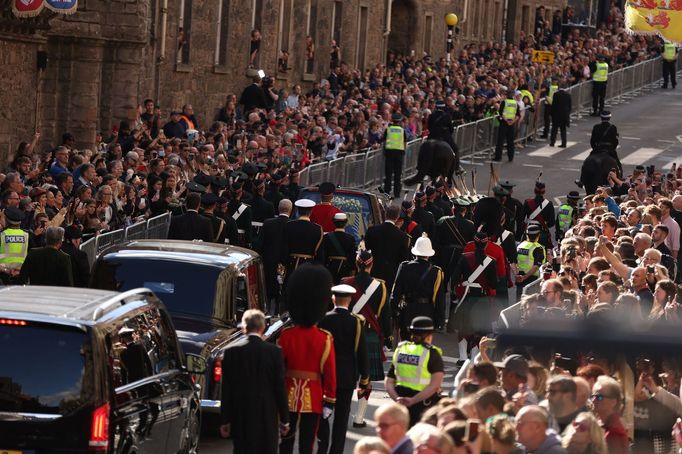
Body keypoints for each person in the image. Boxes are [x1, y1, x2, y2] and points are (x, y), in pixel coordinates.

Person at [278, 264, 337, 454]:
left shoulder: (286, 336)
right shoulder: (324, 338)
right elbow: (330, 373)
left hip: (288, 393)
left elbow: (280, 369)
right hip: (314, 395)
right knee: (307, 443)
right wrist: (330, 400)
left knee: (286, 440)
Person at [219, 309, 289, 454]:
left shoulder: (231, 352)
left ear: (244, 327)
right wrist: (284, 418)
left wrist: (225, 419)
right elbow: (279, 387)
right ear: (263, 327)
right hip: (266, 414)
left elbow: (226, 389)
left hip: (241, 413)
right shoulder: (274, 352)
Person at [317, 284, 370, 454]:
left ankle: (322, 448)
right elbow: (362, 351)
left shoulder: (323, 319)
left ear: (333, 299)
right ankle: (336, 451)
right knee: (342, 417)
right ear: (350, 300)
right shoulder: (356, 321)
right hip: (347, 374)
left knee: (323, 416)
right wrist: (364, 379)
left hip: (325, 375)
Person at [343, 250, 391, 427]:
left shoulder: (345, 283)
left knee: (347, 375)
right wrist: (388, 338)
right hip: (370, 334)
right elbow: (386, 316)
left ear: (356, 264)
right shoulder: (381, 287)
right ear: (371, 264)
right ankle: (359, 417)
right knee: (366, 378)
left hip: (347, 333)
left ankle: (344, 411)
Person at [385, 316, 444, 426]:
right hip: (423, 406)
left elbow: (388, 382)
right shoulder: (431, 353)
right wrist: (412, 400)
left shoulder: (401, 349)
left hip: (400, 405)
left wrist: (397, 399)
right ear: (428, 335)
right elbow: (435, 386)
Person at [390, 234, 446, 338]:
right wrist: (440, 321)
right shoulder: (436, 272)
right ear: (429, 254)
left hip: (407, 312)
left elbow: (395, 293)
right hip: (427, 313)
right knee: (423, 347)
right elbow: (439, 299)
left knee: (405, 346)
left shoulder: (404, 267)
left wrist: (393, 313)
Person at [451, 232, 500, 344]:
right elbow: (493, 285)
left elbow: (454, 279)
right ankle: (474, 357)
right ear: (486, 244)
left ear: (474, 243)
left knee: (464, 329)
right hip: (482, 299)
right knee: (479, 331)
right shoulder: (491, 262)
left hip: (466, 297)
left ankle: (462, 357)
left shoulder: (464, 257)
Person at [364, 204, 411, 294]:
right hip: (391, 276)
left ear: (385, 215)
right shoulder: (402, 236)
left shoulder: (372, 230)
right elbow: (403, 259)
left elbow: (367, 248)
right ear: (397, 217)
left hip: (373, 271)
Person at [258, 199, 292, 314]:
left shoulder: (268, 223)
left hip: (268, 261)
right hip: (285, 262)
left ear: (278, 208)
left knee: (268, 290)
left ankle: (266, 311)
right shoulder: (292, 224)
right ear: (290, 210)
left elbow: (260, 244)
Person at [283, 199, 324, 278]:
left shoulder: (289, 225)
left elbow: (284, 248)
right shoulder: (317, 229)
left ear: (298, 210)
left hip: (291, 265)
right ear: (311, 211)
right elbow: (319, 255)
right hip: (309, 267)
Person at [591, 376, 628, 454]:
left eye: (599, 397)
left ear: (613, 402)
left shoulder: (614, 433)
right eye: (593, 396)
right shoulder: (598, 424)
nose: (593, 400)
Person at [322, 213, 356, 284]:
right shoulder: (351, 238)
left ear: (334, 222)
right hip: (345, 269)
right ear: (346, 223)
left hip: (329, 268)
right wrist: (352, 271)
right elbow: (352, 257)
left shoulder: (326, 237)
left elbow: (323, 255)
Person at [515, 223, 547, 297]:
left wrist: (517, 275)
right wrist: (524, 277)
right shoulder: (538, 248)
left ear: (527, 235)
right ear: (538, 235)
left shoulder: (520, 246)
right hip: (532, 281)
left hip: (520, 278)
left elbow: (513, 262)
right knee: (530, 302)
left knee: (519, 302)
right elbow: (536, 266)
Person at [523, 181, 556, 249]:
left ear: (535, 191)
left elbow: (521, 218)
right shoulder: (549, 204)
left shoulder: (527, 202)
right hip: (542, 233)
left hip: (529, 232)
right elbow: (552, 222)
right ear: (544, 192)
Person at [383, 112, 408, 198]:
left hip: (389, 154)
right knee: (398, 175)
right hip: (399, 154)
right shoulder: (402, 130)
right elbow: (405, 142)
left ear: (392, 120)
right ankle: (397, 193)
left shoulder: (388, 129)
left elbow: (384, 141)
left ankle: (387, 192)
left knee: (388, 175)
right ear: (400, 121)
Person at [0, 207, 29, 281]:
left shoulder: (2, 235)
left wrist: (7, 270)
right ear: (20, 222)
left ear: (6, 220)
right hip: (21, 276)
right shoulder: (27, 235)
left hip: (3, 276)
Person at [495, 90, 521, 162]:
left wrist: (506, 121)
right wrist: (512, 122)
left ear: (506, 95)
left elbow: (500, 113)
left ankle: (498, 157)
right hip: (512, 123)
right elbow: (518, 115)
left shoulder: (504, 102)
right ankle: (510, 157)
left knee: (500, 141)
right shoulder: (516, 103)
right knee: (510, 141)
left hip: (504, 122)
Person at [550, 80, 572, 148]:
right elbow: (570, 106)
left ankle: (552, 142)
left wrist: (552, 113)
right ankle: (564, 143)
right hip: (564, 114)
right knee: (563, 129)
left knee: (554, 129)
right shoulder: (568, 95)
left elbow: (553, 105)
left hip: (556, 114)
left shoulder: (556, 94)